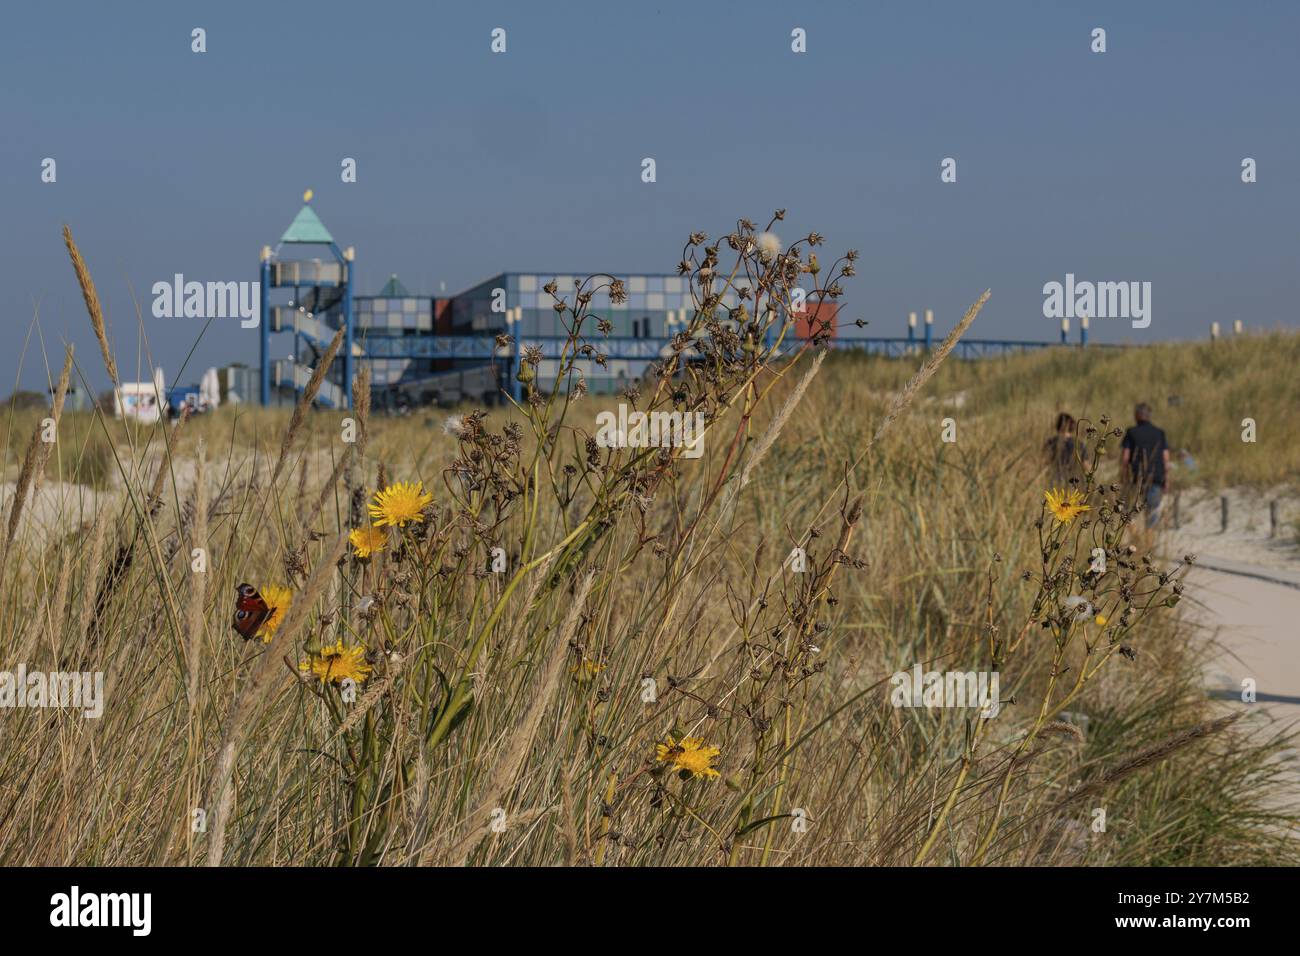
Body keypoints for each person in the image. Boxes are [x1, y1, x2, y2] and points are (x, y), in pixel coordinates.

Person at [1121, 403, 1170, 528]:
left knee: (1127, 512)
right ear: (1149, 416)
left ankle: (1136, 538)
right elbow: (1166, 459)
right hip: (1156, 478)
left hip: (1136, 479)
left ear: (1137, 415)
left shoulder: (1131, 432)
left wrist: (1124, 477)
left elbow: (1125, 458)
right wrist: (1167, 480)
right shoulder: (1159, 433)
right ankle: (1149, 542)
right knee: (1152, 514)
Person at [1044, 412, 1082, 484]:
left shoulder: (1050, 442)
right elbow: (1086, 466)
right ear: (1072, 426)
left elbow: (1043, 462)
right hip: (1073, 482)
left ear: (1058, 425)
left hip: (1053, 481)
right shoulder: (1079, 444)